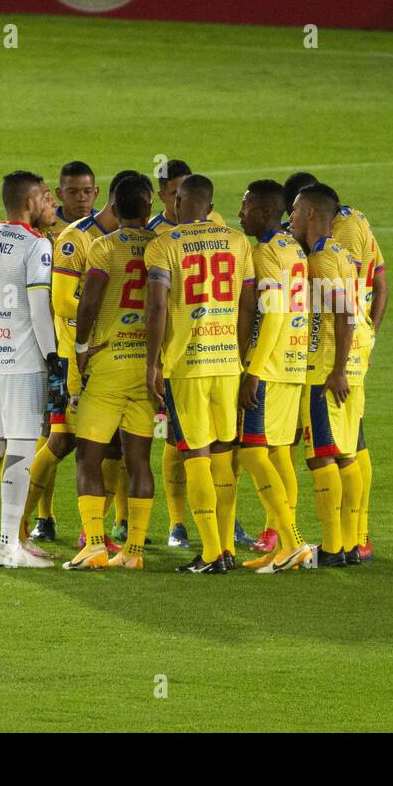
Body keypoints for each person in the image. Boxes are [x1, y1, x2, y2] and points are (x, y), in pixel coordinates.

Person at [144, 175, 257, 573]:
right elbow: (248, 305)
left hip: (187, 366)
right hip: (228, 363)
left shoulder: (163, 246)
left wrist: (153, 362)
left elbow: (157, 307)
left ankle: (211, 552)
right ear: (210, 207)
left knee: (195, 454)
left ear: (176, 204)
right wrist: (240, 353)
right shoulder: (238, 242)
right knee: (225, 453)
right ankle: (225, 546)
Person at [0, 171, 67, 569]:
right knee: (21, 451)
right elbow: (40, 311)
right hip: (23, 366)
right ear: (29, 202)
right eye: (45, 197)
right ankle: (9, 545)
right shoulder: (36, 246)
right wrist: (54, 361)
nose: (50, 202)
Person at [65, 174, 160, 570]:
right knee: (139, 459)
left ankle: (95, 545)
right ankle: (133, 552)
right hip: (146, 369)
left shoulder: (104, 248)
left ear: (115, 208)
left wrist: (82, 347)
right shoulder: (160, 247)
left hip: (108, 366)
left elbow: (88, 302)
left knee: (89, 455)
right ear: (149, 208)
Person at [235, 180, 315, 573]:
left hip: (269, 365)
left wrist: (253, 370)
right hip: (294, 362)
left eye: (246, 206)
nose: (240, 213)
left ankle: (295, 541)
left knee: (251, 451)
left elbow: (275, 313)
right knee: (280, 453)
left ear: (266, 212)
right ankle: (284, 545)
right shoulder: (292, 248)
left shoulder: (267, 254)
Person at [287, 183, 366, 568]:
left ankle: (333, 548)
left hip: (325, 372)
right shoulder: (341, 253)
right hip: (350, 368)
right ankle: (349, 544)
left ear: (312, 214)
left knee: (321, 458)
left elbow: (345, 313)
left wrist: (334, 370)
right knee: (347, 455)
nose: (291, 216)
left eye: (296, 211)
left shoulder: (321, 258)